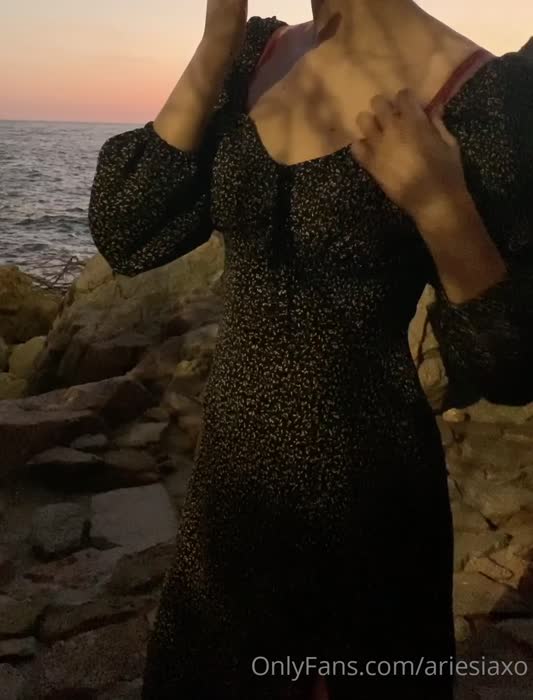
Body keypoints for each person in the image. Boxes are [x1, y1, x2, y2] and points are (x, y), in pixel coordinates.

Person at [88, 1, 533, 698]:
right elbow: (126, 228)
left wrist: (442, 207)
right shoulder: (252, 54)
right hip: (229, 489)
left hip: (364, 500)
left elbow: (508, 368)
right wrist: (215, 42)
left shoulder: (481, 95)